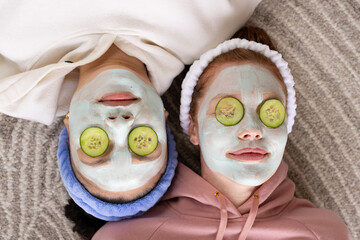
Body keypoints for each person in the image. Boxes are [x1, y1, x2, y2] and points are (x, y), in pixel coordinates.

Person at [0, 0, 262, 222]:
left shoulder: (11, 60)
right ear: (163, 117)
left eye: (96, 145)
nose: (120, 123)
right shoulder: (211, 22)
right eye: (142, 143)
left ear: (69, 125)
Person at [92, 26, 352, 240]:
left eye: (270, 113)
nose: (252, 130)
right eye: (228, 112)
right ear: (194, 128)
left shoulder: (324, 233)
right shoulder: (128, 236)